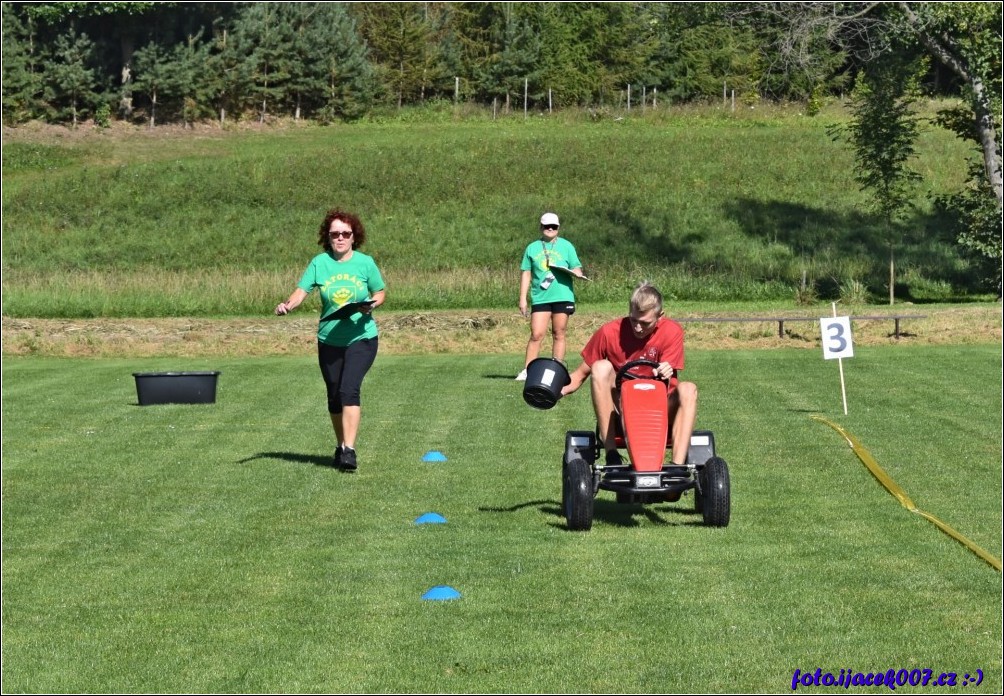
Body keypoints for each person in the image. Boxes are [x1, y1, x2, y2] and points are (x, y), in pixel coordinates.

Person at [275, 209, 386, 472]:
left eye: (345, 234)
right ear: (328, 236)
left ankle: (349, 450)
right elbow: (302, 291)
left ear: (353, 236)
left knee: (349, 390)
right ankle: (339, 445)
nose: (340, 238)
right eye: (335, 234)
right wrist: (287, 305)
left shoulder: (365, 263)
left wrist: (371, 305)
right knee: (335, 397)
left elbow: (379, 292)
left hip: (362, 337)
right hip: (329, 340)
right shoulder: (319, 263)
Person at [560, 282, 697, 468]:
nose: (638, 328)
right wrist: (552, 390)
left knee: (688, 388)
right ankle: (612, 455)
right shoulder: (609, 332)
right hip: (622, 408)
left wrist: (666, 369)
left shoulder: (672, 331)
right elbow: (578, 376)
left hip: (661, 409)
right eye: (634, 320)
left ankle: (677, 466)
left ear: (660, 316)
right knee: (600, 367)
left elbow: (669, 367)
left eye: (645, 323)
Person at [516, 212, 586, 381]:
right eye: (547, 226)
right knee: (536, 334)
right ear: (541, 227)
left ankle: (556, 369)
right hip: (541, 296)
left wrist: (577, 273)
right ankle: (528, 370)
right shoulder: (532, 247)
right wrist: (522, 298)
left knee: (559, 333)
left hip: (562, 295)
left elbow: (576, 266)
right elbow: (526, 273)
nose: (550, 229)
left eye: (553, 226)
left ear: (558, 228)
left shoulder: (567, 246)